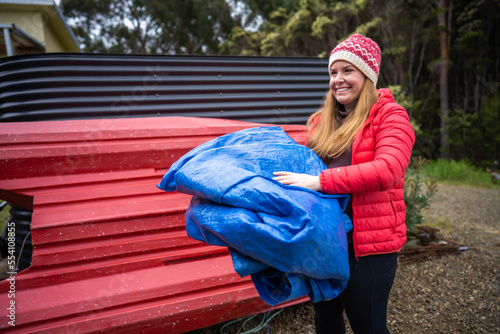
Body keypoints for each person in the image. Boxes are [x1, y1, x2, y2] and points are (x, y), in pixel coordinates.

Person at [273, 33, 415, 334]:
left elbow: (387, 170)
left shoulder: (390, 116)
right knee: (326, 322)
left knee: (369, 326)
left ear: (367, 74)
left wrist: (320, 182)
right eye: (333, 72)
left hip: (369, 247)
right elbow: (299, 168)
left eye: (347, 70)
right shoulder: (320, 121)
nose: (338, 79)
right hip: (324, 241)